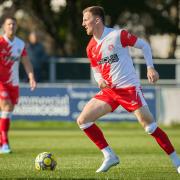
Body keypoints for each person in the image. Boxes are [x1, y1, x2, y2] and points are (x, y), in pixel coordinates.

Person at [77, 6, 180, 173]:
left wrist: (150, 68)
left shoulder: (117, 35)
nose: (83, 23)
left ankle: (177, 162)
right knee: (83, 120)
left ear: (97, 20)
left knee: (149, 126)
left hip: (129, 89)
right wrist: (100, 80)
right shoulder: (90, 47)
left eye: (85, 19)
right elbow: (96, 70)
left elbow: (144, 46)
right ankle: (109, 155)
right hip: (110, 92)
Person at [0, 16, 36, 153]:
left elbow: (26, 62)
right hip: (1, 82)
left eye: (14, 24)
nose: (11, 26)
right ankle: (5, 143)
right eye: (9, 24)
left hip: (14, 83)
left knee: (7, 111)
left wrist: (31, 77)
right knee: (7, 106)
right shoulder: (0, 42)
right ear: (4, 26)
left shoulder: (20, 44)